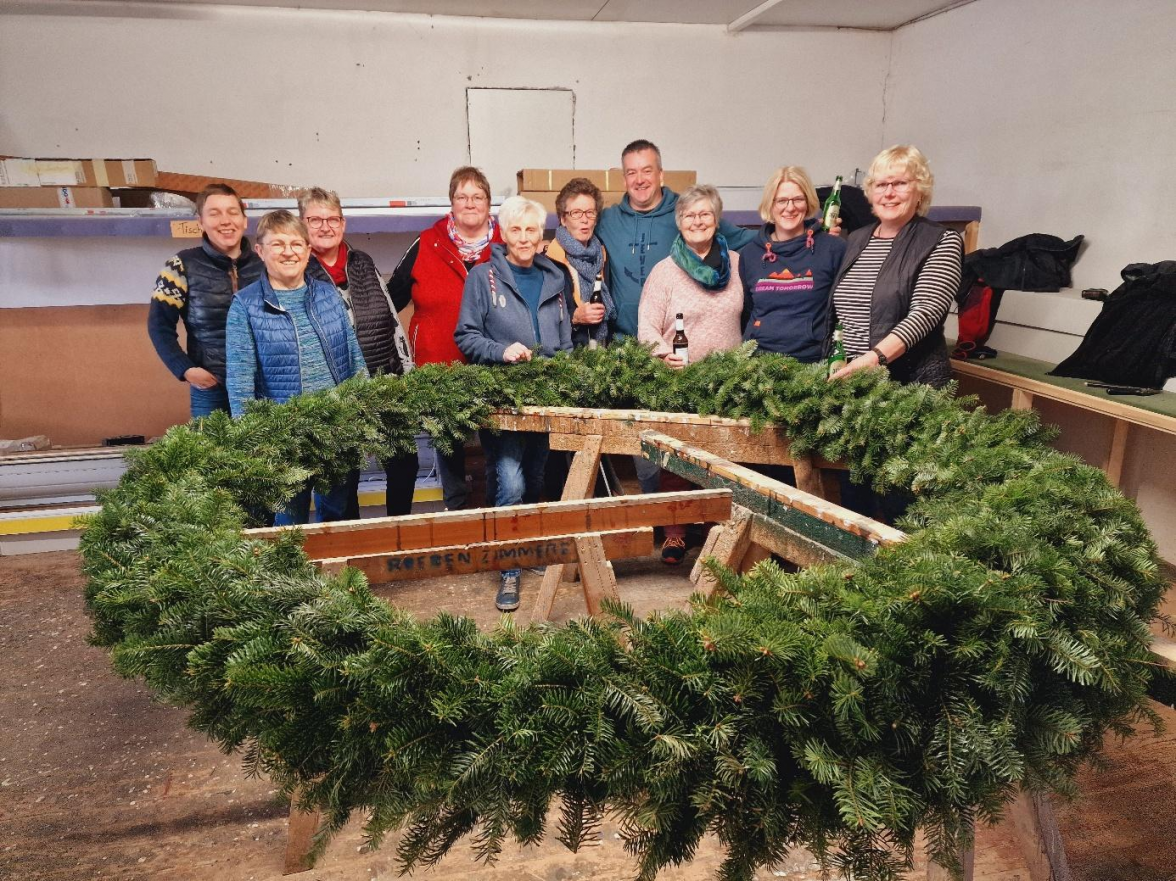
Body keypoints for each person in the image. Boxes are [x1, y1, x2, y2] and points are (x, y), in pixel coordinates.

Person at [454, 196, 572, 612]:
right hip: (502, 401)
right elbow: (465, 335)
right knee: (511, 481)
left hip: (545, 400)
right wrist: (501, 351)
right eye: (516, 230)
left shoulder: (556, 278)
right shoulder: (482, 278)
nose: (524, 238)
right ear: (503, 234)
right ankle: (508, 568)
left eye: (532, 230)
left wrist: (559, 367)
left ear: (542, 237)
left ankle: (529, 552)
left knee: (537, 478)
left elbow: (566, 344)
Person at [225, 210, 367, 526]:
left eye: (296, 244)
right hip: (282, 436)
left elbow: (354, 357)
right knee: (289, 518)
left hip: (335, 429)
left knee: (337, 513)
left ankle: (336, 572)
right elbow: (239, 380)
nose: (288, 252)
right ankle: (293, 574)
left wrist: (364, 413)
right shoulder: (246, 306)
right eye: (277, 244)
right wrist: (251, 439)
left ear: (307, 250)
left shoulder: (327, 294)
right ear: (260, 251)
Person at [637, 184, 744, 564]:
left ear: (716, 220)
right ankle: (676, 533)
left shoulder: (735, 264)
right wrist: (665, 355)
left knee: (724, 459)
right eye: (689, 215)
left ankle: (718, 530)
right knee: (677, 460)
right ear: (679, 223)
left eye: (704, 214)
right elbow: (646, 328)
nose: (697, 221)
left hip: (729, 384)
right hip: (680, 382)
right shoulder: (665, 272)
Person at [387, 166, 502, 511]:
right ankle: (458, 515)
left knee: (498, 445)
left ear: (489, 203)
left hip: (496, 366)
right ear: (451, 202)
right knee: (449, 450)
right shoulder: (427, 242)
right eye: (462, 196)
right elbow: (390, 298)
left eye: (477, 196)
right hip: (439, 364)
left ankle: (496, 514)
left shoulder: (506, 245)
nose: (470, 203)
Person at [299, 187, 419, 518]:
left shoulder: (361, 262)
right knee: (344, 476)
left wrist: (407, 371)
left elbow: (392, 318)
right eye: (315, 219)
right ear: (302, 224)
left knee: (404, 462)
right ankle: (354, 547)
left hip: (385, 380)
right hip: (338, 393)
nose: (325, 226)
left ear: (343, 222)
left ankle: (396, 531)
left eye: (332, 218)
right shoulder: (299, 270)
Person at [828, 145, 963, 388]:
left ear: (919, 191)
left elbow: (926, 312)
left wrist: (874, 359)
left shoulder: (941, 240)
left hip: (911, 384)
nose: (888, 193)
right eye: (881, 185)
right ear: (870, 193)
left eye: (900, 183)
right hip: (852, 379)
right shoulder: (857, 239)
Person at [596, 139, 756, 340]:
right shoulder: (608, 220)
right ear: (624, 179)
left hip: (674, 346)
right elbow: (574, 237)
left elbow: (749, 239)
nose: (639, 179)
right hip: (621, 342)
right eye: (631, 172)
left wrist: (796, 230)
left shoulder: (687, 213)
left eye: (647, 170)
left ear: (660, 175)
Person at [148, 183, 264, 417]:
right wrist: (186, 369)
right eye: (214, 213)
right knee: (211, 453)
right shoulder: (180, 266)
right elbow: (159, 326)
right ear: (201, 222)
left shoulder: (266, 263)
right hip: (211, 387)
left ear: (244, 221)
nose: (225, 221)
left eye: (232, 212)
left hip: (263, 385)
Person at [739, 167, 847, 363]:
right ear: (770, 205)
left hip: (812, 364)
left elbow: (844, 311)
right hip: (757, 365)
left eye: (798, 199)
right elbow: (747, 310)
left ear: (808, 202)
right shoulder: (750, 255)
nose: (790, 208)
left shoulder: (833, 248)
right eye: (781, 200)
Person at [543, 177, 615, 348]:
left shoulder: (603, 255)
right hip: (567, 357)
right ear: (562, 218)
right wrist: (575, 317)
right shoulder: (549, 261)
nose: (584, 219)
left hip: (602, 352)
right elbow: (542, 320)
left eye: (590, 212)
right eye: (576, 213)